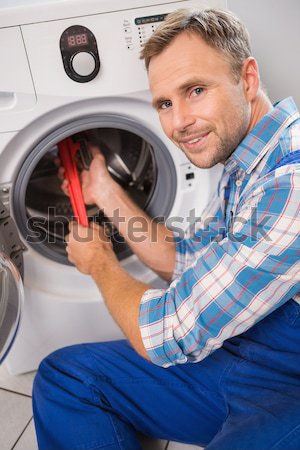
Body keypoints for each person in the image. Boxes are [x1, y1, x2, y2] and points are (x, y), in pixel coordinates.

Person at [32, 8, 300, 450]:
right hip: (241, 355)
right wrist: (105, 191)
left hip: (291, 386)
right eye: (164, 103)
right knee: (67, 380)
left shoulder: (289, 185)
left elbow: (170, 331)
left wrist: (100, 264)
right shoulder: (249, 160)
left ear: (247, 79)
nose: (178, 123)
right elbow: (188, 259)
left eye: (196, 90)